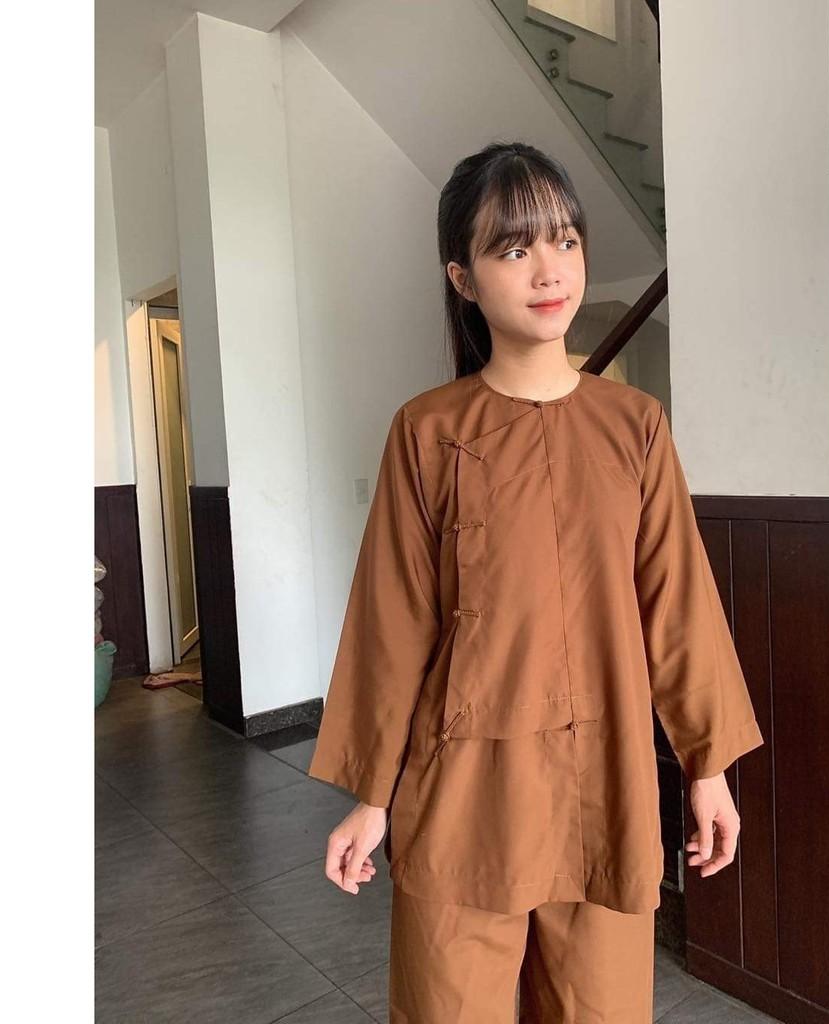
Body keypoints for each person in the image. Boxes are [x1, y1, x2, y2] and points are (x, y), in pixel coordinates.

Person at [307, 141, 764, 1022]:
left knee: (601, 1009)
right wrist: (372, 799)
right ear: (463, 279)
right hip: (463, 794)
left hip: (605, 787)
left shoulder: (635, 426)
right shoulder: (428, 432)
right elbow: (391, 624)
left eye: (564, 239)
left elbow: (678, 607)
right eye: (514, 248)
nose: (549, 269)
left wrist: (707, 769)